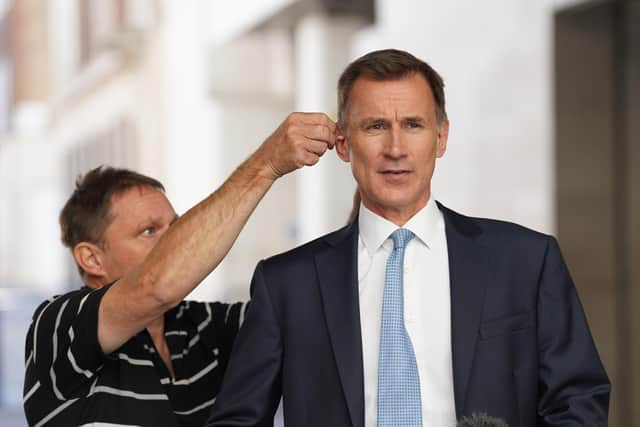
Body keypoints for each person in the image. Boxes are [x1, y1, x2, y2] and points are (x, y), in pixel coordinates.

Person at [205, 49, 610, 427]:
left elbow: (578, 401)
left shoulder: (526, 260)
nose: (395, 148)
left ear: (441, 138)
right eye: (375, 126)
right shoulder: (286, 285)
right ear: (344, 143)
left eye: (413, 125)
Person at [22, 112, 337, 427]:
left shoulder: (203, 326)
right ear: (91, 259)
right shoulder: (57, 326)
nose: (173, 242)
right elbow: (155, 286)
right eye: (149, 231)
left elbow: (321, 305)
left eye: (176, 227)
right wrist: (266, 164)